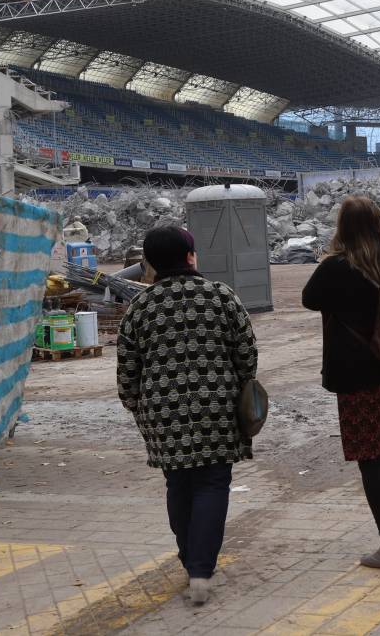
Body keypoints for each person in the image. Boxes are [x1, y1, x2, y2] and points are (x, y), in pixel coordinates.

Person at [117, 226, 258, 605]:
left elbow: (127, 370)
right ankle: (200, 570)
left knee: (178, 483)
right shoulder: (221, 296)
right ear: (191, 256)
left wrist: (136, 404)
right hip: (218, 407)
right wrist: (241, 386)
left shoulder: (140, 307)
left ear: (148, 264)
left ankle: (188, 560)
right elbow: (247, 353)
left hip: (163, 413)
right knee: (213, 482)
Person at [301, 196, 380, 571]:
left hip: (361, 374)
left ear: (342, 227)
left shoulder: (335, 266)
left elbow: (309, 300)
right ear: (378, 223)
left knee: (372, 458)